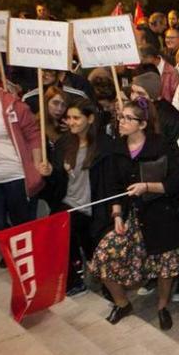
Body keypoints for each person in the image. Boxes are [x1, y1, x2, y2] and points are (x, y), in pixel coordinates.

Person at [89, 98, 179, 330]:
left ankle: (162, 305)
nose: (121, 122)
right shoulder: (116, 149)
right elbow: (113, 187)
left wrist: (148, 187)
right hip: (131, 217)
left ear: (142, 124)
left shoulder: (162, 145)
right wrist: (116, 215)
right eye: (120, 117)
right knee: (103, 257)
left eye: (127, 118)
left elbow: (176, 181)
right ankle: (122, 303)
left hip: (161, 215)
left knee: (166, 265)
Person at [38, 99, 116, 297]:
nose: (71, 122)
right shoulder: (64, 143)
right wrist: (49, 173)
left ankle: (108, 286)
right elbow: (58, 180)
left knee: (94, 250)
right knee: (58, 236)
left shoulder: (105, 147)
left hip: (96, 208)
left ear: (90, 119)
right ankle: (73, 279)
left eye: (76, 118)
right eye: (69, 117)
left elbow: (111, 182)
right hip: (71, 204)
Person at [0, 57, 44, 266]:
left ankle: (25, 259)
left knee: (23, 222)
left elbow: (33, 134)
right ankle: (11, 243)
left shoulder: (11, 105)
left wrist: (37, 165)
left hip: (15, 176)